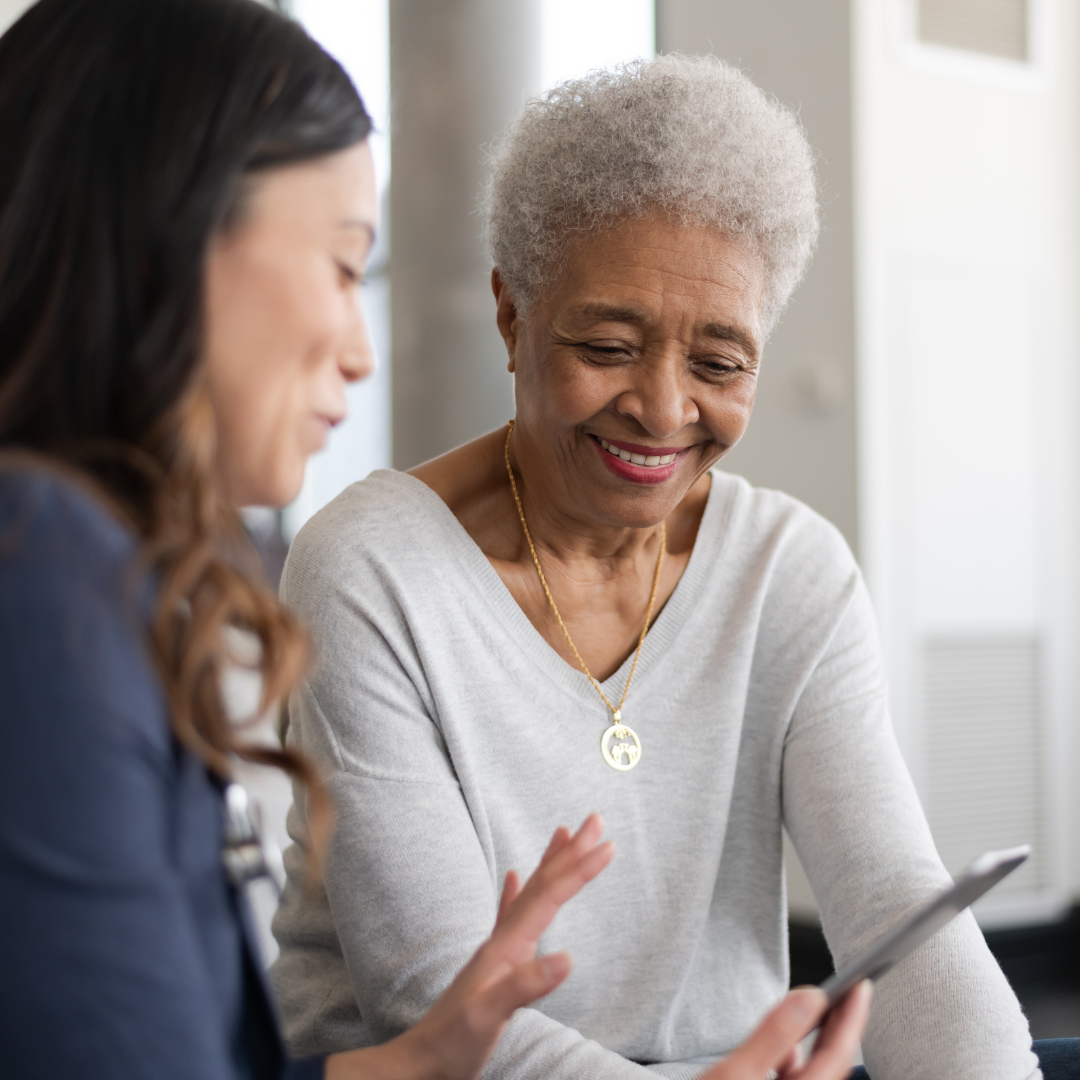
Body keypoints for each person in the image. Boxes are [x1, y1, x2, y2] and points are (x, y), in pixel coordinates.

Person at [0, 1, 874, 1078]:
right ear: (161, 253)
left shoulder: (91, 574)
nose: (364, 354)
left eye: (718, 362)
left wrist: (425, 1058)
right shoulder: (41, 583)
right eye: (338, 265)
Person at [269, 54, 1068, 1080]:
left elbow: (897, 909)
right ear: (513, 316)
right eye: (606, 345)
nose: (662, 407)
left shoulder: (792, 573)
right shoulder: (372, 569)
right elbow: (438, 998)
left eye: (719, 363)